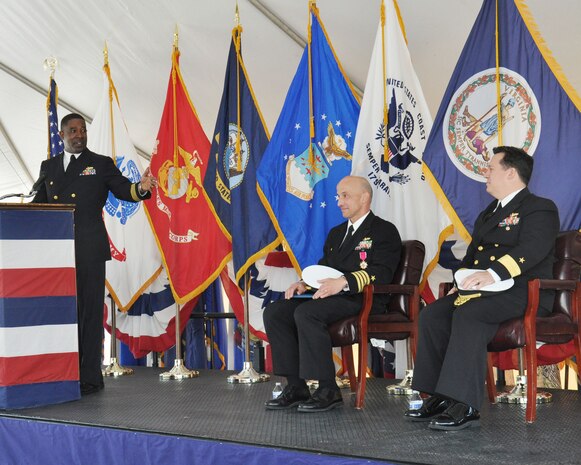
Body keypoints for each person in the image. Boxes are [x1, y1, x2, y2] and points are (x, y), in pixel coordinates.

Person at [405, 146, 559, 430]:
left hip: (522, 291)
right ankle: (439, 395)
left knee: (469, 315)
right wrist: (458, 283)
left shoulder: (540, 207)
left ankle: (465, 403)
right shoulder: (489, 212)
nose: (485, 173)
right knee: (432, 315)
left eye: (490, 168)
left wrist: (493, 273)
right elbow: (473, 257)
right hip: (484, 290)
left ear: (511, 173)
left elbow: (533, 249)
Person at [32, 113, 156, 395]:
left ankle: (88, 376)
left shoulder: (100, 164)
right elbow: (37, 204)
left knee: (88, 313)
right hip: (57, 251)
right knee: (64, 312)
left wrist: (141, 189)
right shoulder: (48, 167)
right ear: (61, 135)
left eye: (82, 130)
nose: (79, 135)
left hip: (88, 248)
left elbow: (124, 189)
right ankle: (63, 372)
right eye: (73, 131)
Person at [263, 175, 402, 412]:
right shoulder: (336, 233)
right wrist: (303, 284)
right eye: (338, 196)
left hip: (363, 298)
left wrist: (344, 282)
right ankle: (296, 386)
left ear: (365, 197)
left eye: (345, 196)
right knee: (276, 311)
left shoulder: (383, 231)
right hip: (333, 298)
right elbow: (323, 267)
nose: (339, 202)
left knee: (307, 313)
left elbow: (383, 272)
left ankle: (328, 389)